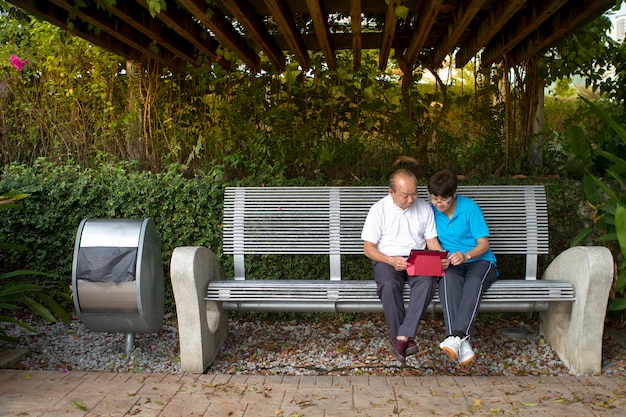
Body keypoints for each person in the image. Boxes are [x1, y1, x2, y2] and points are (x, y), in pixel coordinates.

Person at [361, 168, 449, 364]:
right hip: (387, 259)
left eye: (415, 193)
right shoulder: (378, 210)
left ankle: (401, 337)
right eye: (405, 196)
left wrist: (441, 258)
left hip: (416, 258)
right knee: (389, 285)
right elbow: (368, 249)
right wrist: (391, 260)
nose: (411, 200)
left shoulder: (424, 208)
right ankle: (403, 338)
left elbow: (432, 241)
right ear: (391, 192)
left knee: (427, 282)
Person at [427, 169, 497, 366]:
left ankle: (455, 337)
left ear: (454, 195)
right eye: (434, 199)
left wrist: (466, 255)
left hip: (479, 261)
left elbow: (484, 244)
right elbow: (430, 239)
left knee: (474, 282)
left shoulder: (469, 208)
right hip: (452, 262)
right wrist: (443, 257)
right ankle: (461, 343)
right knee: (448, 280)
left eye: (444, 200)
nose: (438, 204)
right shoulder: (430, 211)